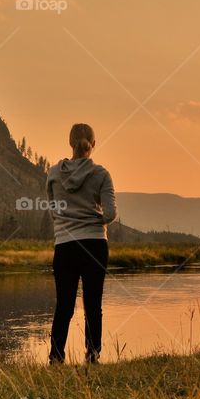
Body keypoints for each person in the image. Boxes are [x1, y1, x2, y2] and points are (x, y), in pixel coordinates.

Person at [46, 123, 118, 364]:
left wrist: (70, 219)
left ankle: (56, 359)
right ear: (93, 144)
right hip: (95, 243)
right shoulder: (102, 174)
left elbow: (53, 209)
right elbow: (110, 214)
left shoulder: (54, 173)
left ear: (70, 143)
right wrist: (91, 216)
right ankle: (92, 357)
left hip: (65, 245)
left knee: (63, 307)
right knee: (93, 306)